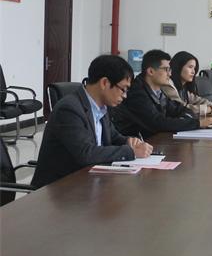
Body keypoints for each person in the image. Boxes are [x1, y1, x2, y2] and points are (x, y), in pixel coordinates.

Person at [31, 55, 153, 188]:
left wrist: (129, 141)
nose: (125, 95)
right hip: (59, 189)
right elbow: (86, 153)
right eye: (123, 89)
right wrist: (131, 152)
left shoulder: (102, 108)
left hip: (88, 181)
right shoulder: (69, 109)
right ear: (104, 83)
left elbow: (113, 137)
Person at [111, 49, 212, 138]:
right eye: (166, 69)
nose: (170, 74)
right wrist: (198, 123)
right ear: (151, 71)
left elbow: (179, 109)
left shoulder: (159, 92)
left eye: (170, 70)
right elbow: (157, 122)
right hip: (135, 144)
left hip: (153, 141)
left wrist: (187, 118)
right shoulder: (136, 93)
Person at [162, 51, 212, 116]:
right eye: (190, 67)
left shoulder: (183, 88)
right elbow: (183, 109)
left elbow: (198, 100)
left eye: (194, 68)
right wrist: (211, 109)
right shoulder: (168, 85)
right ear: (178, 67)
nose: (193, 72)